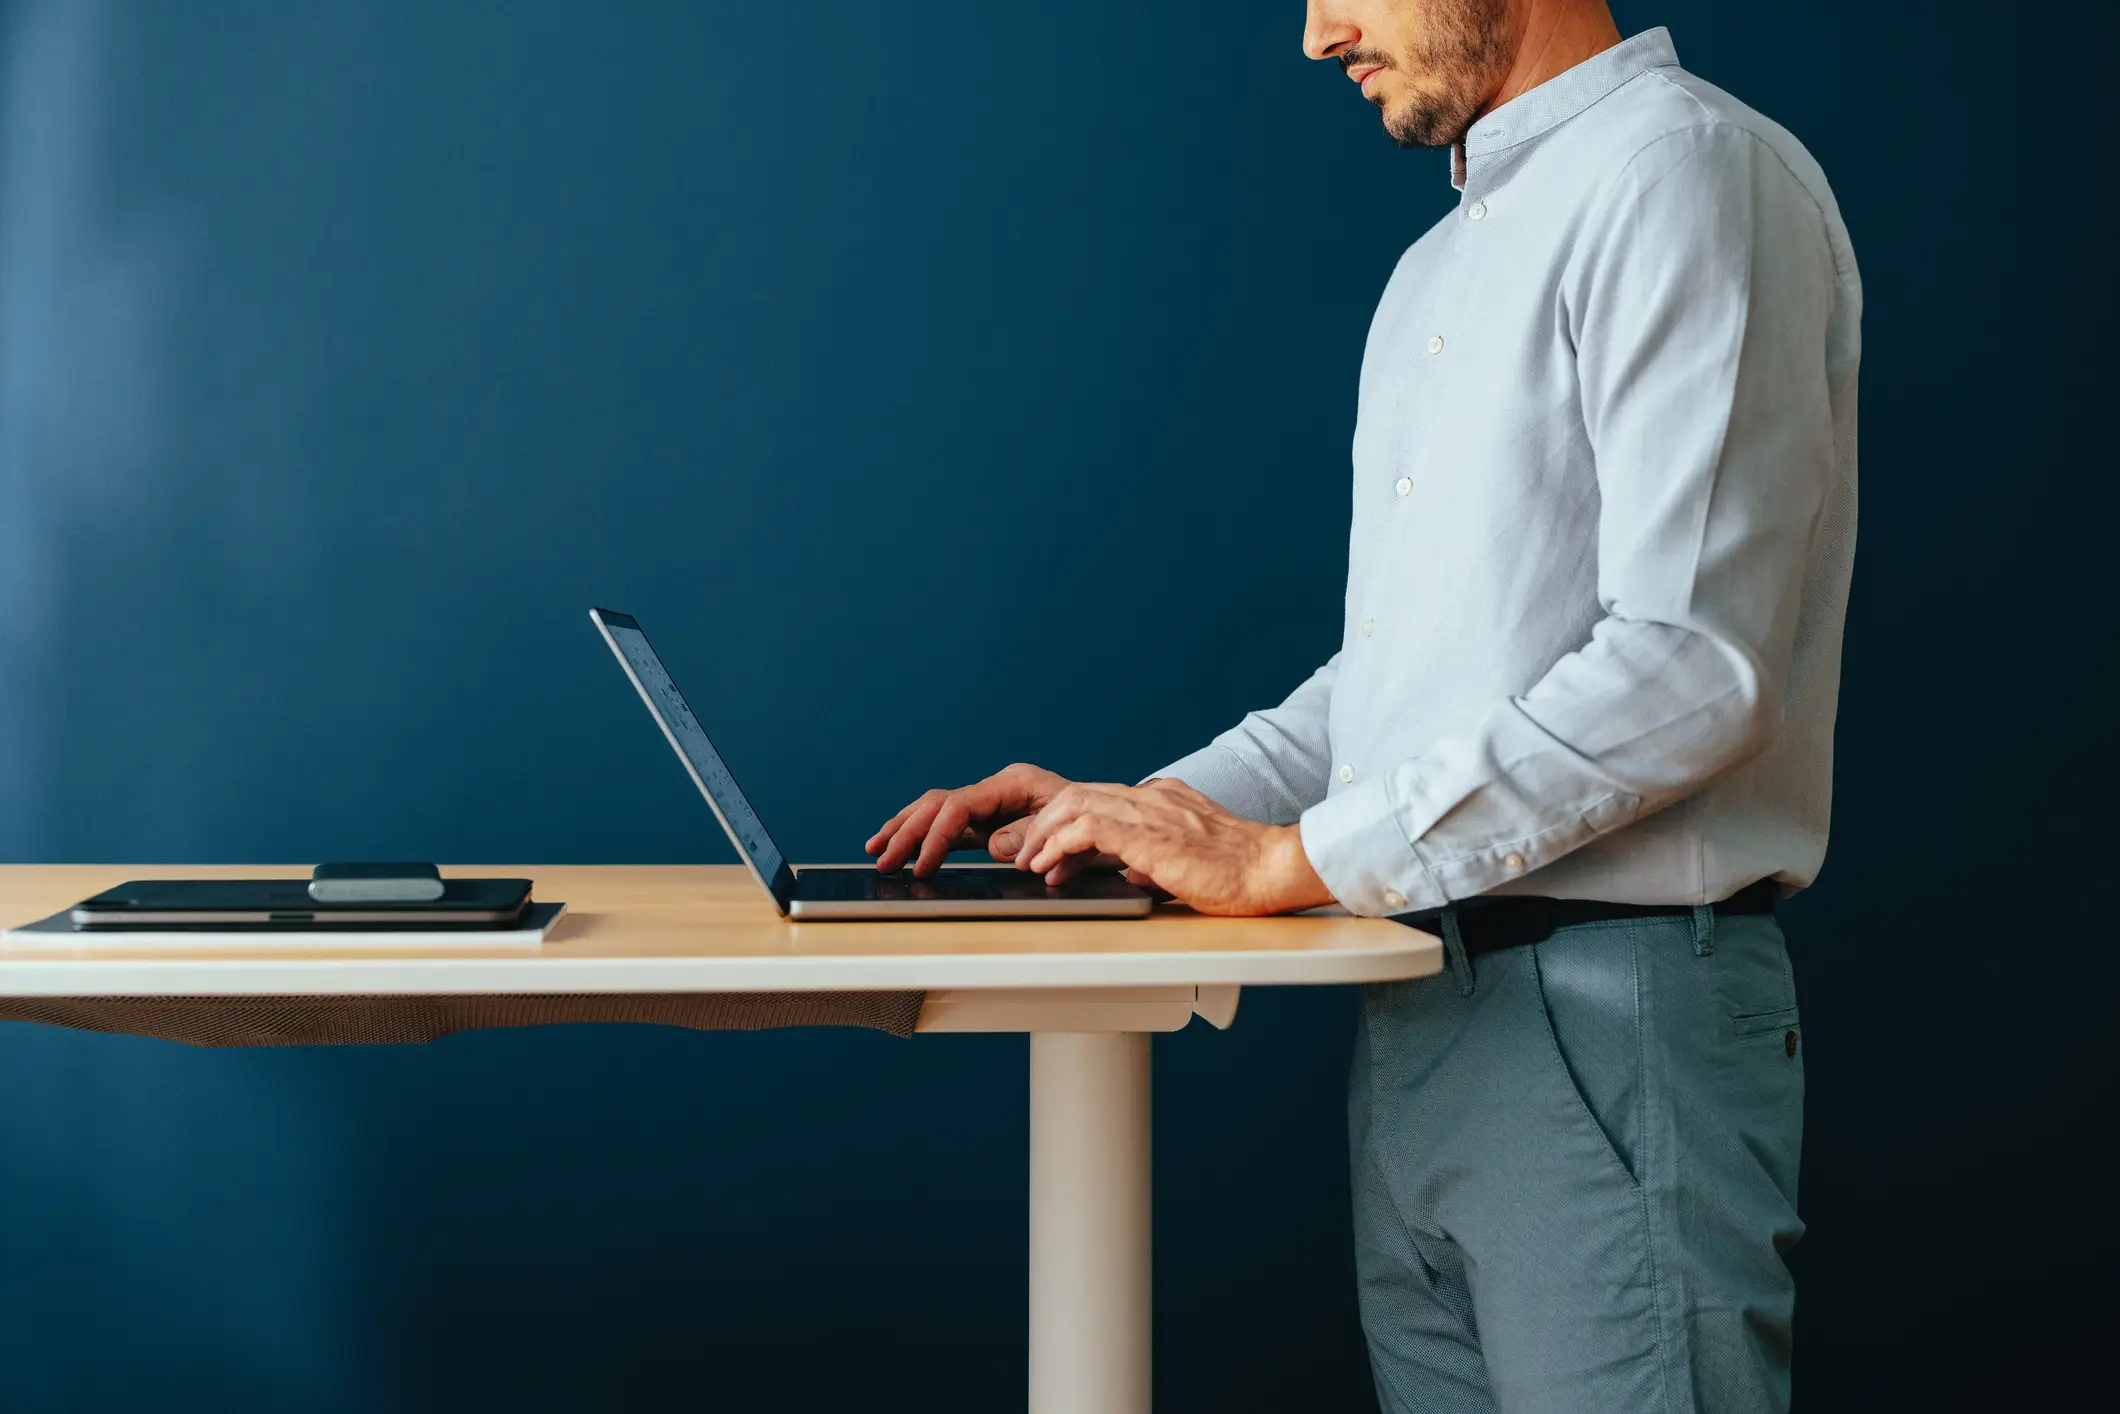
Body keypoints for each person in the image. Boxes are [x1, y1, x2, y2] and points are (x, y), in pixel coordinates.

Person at [867, 1, 1857, 1407]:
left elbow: (1694, 663)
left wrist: (1297, 861)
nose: (1318, 32)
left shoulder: (1682, 171)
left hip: (1610, 1015)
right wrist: (1144, 816)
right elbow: (1389, 694)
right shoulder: (1435, 273)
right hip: (1416, 1010)